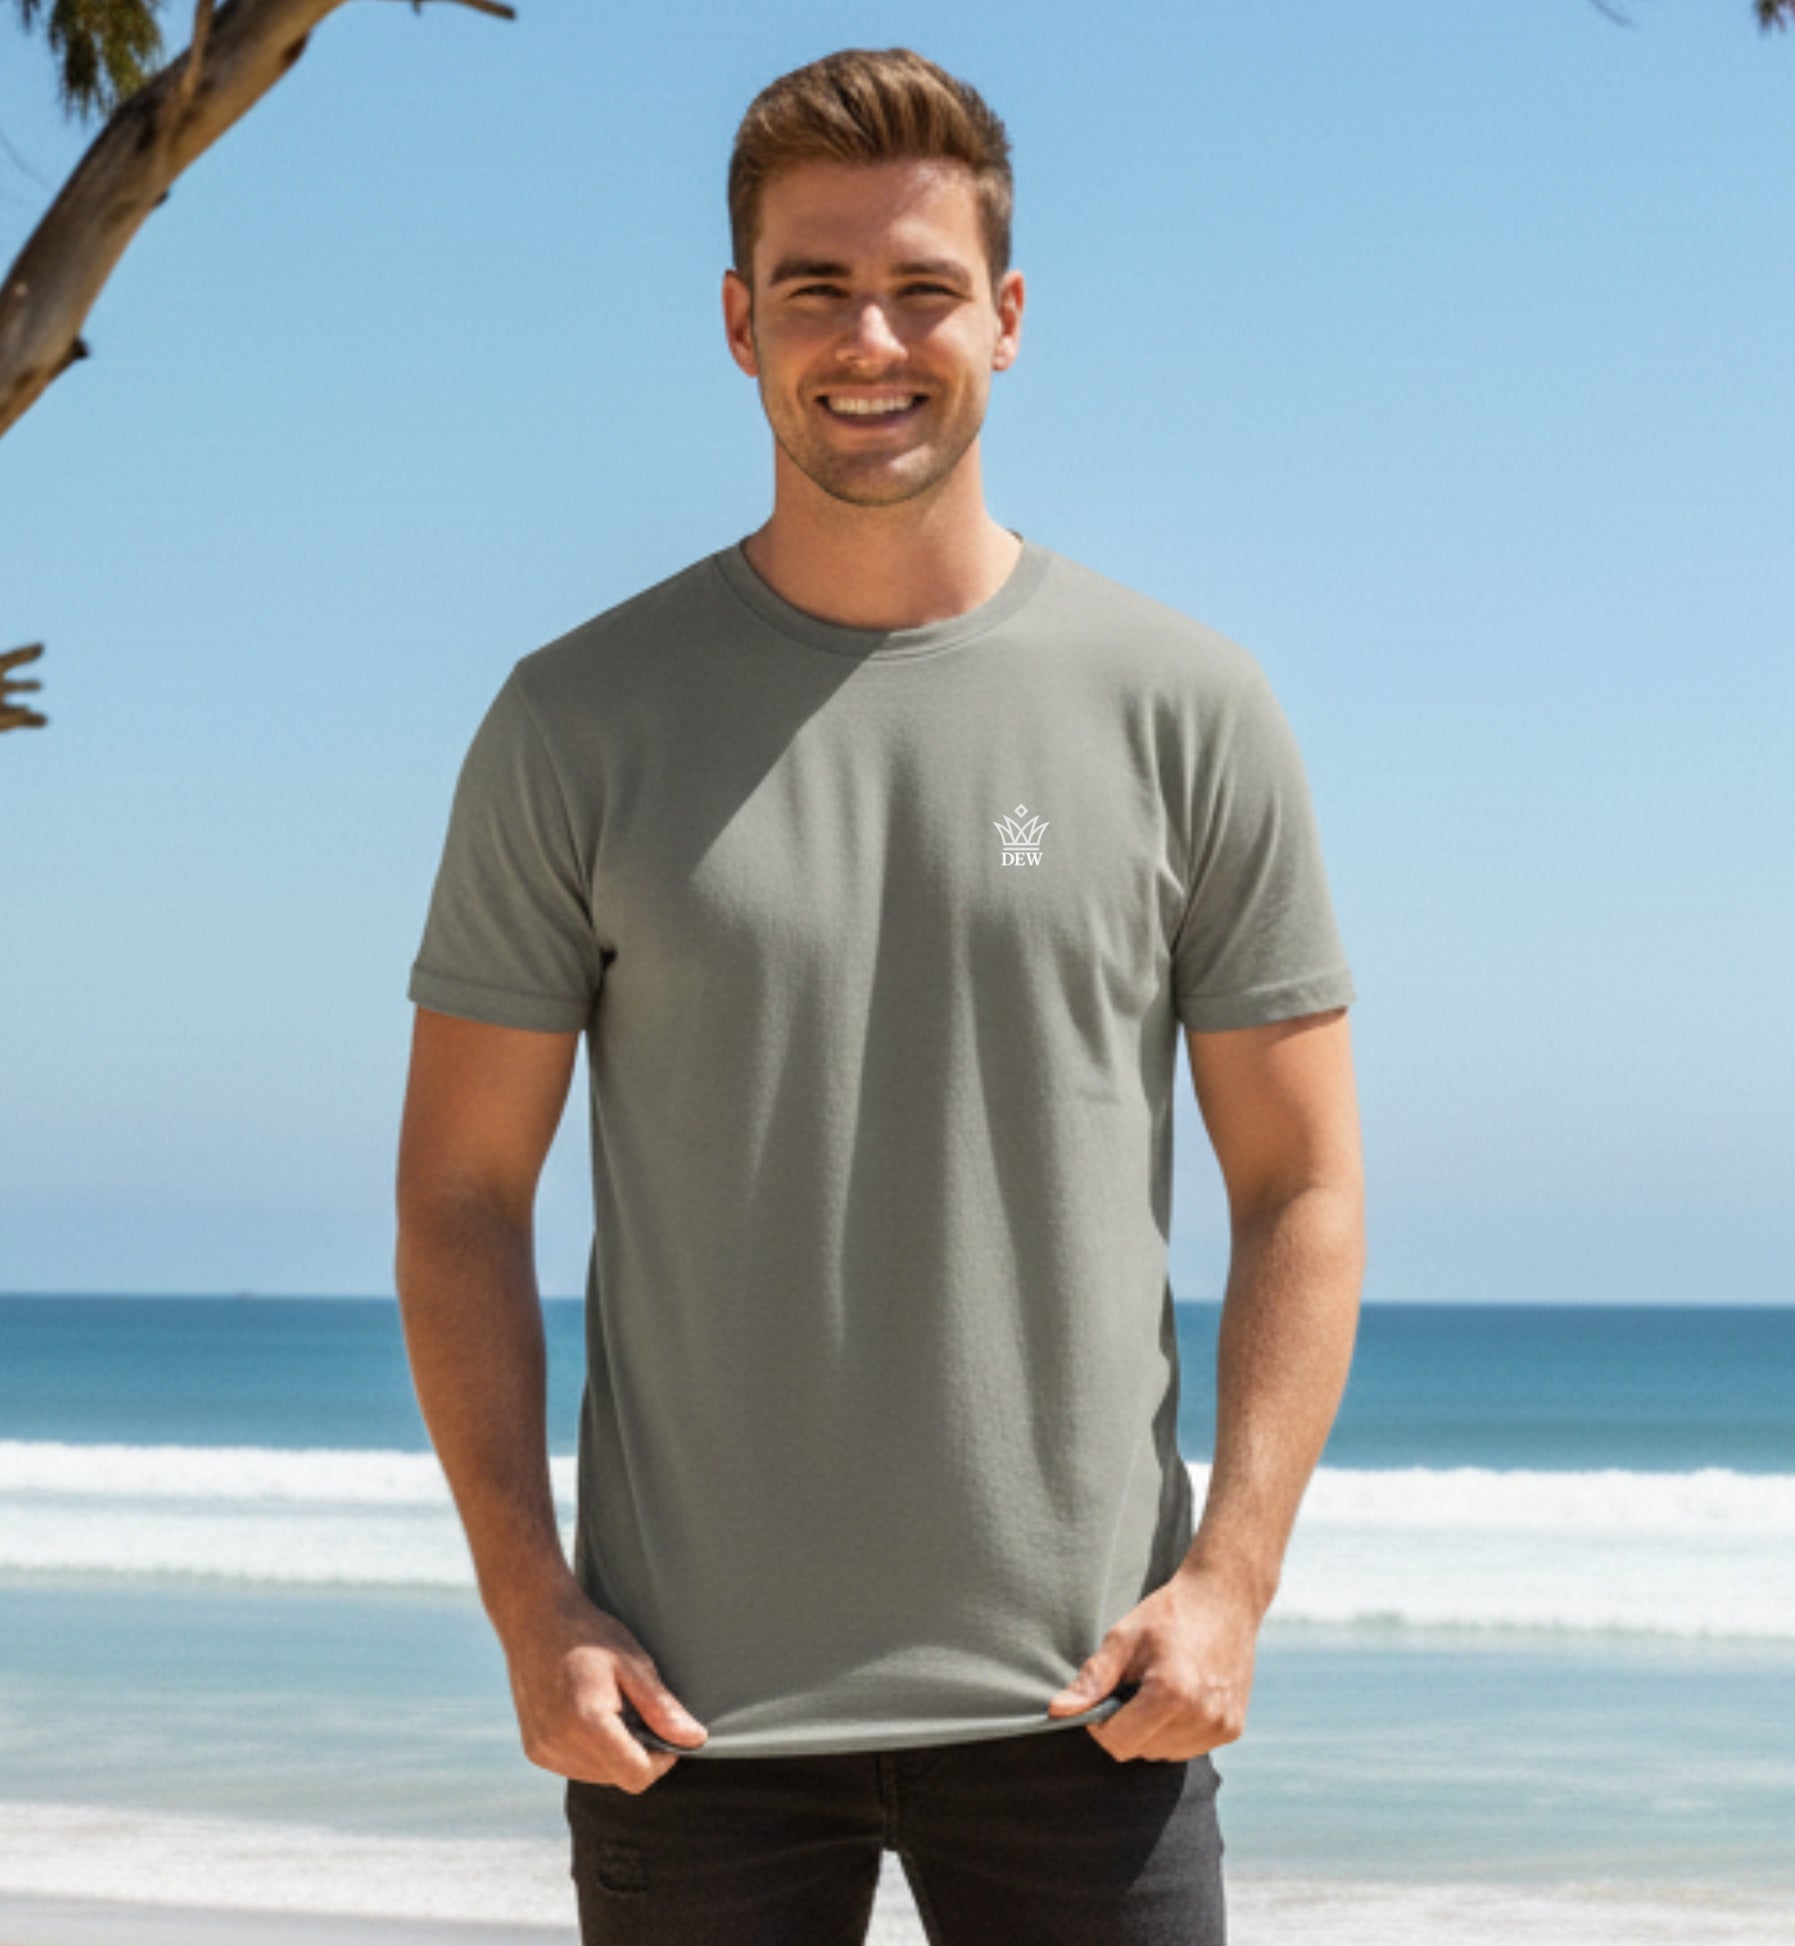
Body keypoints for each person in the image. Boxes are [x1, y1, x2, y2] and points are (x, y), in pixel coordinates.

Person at [394, 43, 1365, 1946]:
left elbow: (1303, 1184)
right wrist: (534, 1607)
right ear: (738, 320)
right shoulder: (576, 722)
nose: (871, 339)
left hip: (1094, 1704)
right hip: (684, 1720)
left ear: (1003, 320)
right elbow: (458, 1197)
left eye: (923, 289)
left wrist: (1232, 1577)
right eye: (819, 288)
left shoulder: (1186, 709)